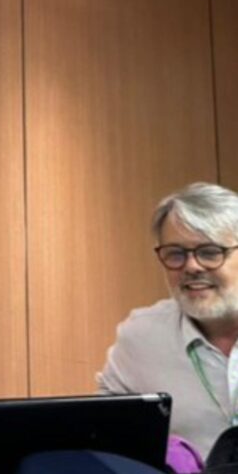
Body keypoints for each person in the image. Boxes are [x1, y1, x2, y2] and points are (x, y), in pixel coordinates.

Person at [98, 182, 238, 460]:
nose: (191, 266)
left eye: (210, 252)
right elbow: (105, 432)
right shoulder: (141, 338)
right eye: (175, 253)